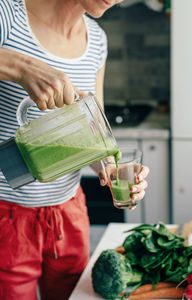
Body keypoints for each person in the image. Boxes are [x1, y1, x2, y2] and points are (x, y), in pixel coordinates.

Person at [0, 0, 149, 299]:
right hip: (8, 219)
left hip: (69, 214)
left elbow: (95, 135)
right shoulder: (8, 14)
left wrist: (112, 169)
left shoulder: (97, 41)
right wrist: (22, 67)